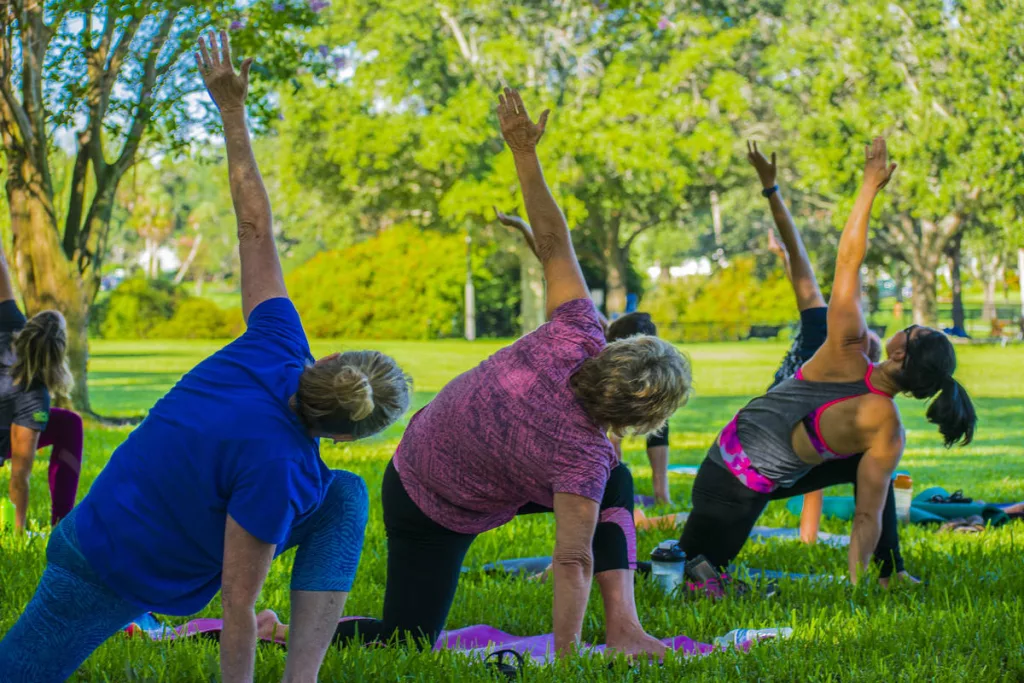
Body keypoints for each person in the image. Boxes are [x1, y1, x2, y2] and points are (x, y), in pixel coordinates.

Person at [0, 33, 412, 683]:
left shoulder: (277, 342)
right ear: (342, 433)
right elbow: (240, 606)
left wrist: (231, 110)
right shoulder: (285, 467)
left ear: (328, 358)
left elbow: (254, 226)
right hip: (101, 568)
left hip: (107, 538)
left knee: (346, 498)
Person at [334, 88, 692, 659]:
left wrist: (523, 150)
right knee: (403, 641)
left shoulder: (579, 331)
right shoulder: (583, 455)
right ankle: (280, 629)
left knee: (616, 484)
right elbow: (570, 561)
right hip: (427, 498)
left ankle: (625, 628)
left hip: (444, 451)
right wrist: (566, 660)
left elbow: (552, 239)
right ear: (641, 419)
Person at [678, 137, 976, 589]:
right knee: (687, 570)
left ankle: (885, 577)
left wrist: (869, 187)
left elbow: (848, 261)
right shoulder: (890, 431)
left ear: (899, 353)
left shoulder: (845, 350)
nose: (905, 327)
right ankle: (885, 577)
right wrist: (853, 588)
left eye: (911, 329)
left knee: (687, 571)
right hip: (740, 487)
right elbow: (867, 516)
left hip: (728, 477)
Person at [749, 141, 881, 545]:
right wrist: (771, 192)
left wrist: (771, 188)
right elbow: (800, 266)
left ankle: (807, 533)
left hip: (760, 437)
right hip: (774, 439)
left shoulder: (821, 335)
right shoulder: (837, 358)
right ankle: (813, 535)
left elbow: (801, 265)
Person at [495, 210, 674, 505]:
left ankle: (660, 493)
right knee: (610, 417)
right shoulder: (602, 333)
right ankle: (612, 477)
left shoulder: (631, 349)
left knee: (661, 418)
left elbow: (552, 260)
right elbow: (550, 260)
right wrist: (525, 226)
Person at [0, 243, 83, 531]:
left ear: (30, 326)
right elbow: (19, 478)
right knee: (70, 424)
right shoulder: (35, 398)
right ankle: (61, 522)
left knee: (68, 422)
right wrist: (18, 534)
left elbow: (1, 265)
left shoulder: (9, 324)